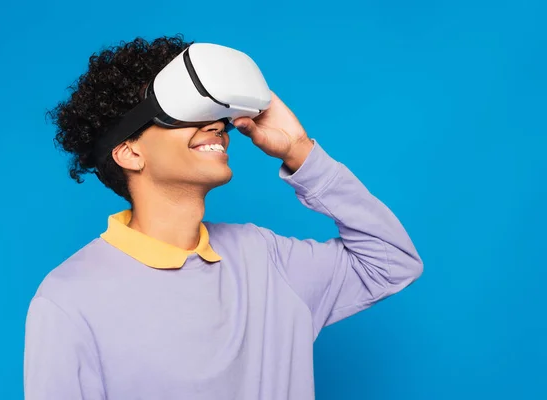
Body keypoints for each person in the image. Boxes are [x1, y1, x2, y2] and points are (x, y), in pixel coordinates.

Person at [23, 35, 423, 400]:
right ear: (129, 152)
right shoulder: (68, 300)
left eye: (215, 112)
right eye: (184, 112)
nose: (216, 124)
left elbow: (390, 264)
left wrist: (300, 152)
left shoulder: (266, 259)